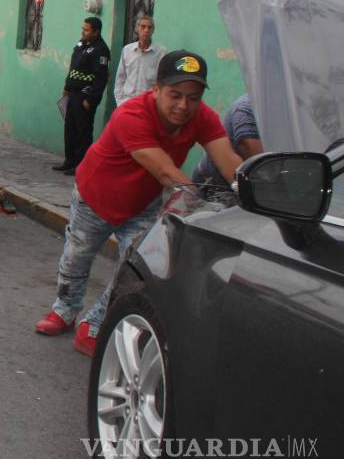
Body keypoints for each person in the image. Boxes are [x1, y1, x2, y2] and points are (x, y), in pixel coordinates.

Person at [34, 50, 243, 355]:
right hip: (95, 198)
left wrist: (251, 186)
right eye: (175, 95)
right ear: (156, 89)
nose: (184, 105)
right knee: (77, 256)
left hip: (142, 205)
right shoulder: (131, 115)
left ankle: (92, 326)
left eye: (193, 97)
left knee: (133, 271)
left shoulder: (202, 117)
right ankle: (64, 311)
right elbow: (165, 171)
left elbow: (228, 160)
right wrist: (201, 204)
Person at [53, 16, 110, 175]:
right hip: (72, 94)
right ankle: (69, 160)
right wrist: (66, 87)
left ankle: (81, 165)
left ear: (96, 32)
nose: (83, 32)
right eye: (83, 29)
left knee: (83, 132)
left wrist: (90, 99)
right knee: (70, 129)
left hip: (85, 96)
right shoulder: (81, 44)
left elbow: (101, 77)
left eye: (86, 30)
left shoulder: (101, 50)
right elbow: (73, 68)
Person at [191, 94, 263, 188]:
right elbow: (261, 166)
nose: (183, 105)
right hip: (211, 184)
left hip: (239, 179)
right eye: (175, 96)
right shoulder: (245, 110)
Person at [113, 15, 166, 106]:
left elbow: (162, 80)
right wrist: (120, 101)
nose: (146, 30)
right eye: (143, 27)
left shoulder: (161, 53)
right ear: (137, 29)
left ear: (153, 30)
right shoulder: (127, 50)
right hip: (127, 101)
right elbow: (120, 77)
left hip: (148, 103)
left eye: (149, 27)